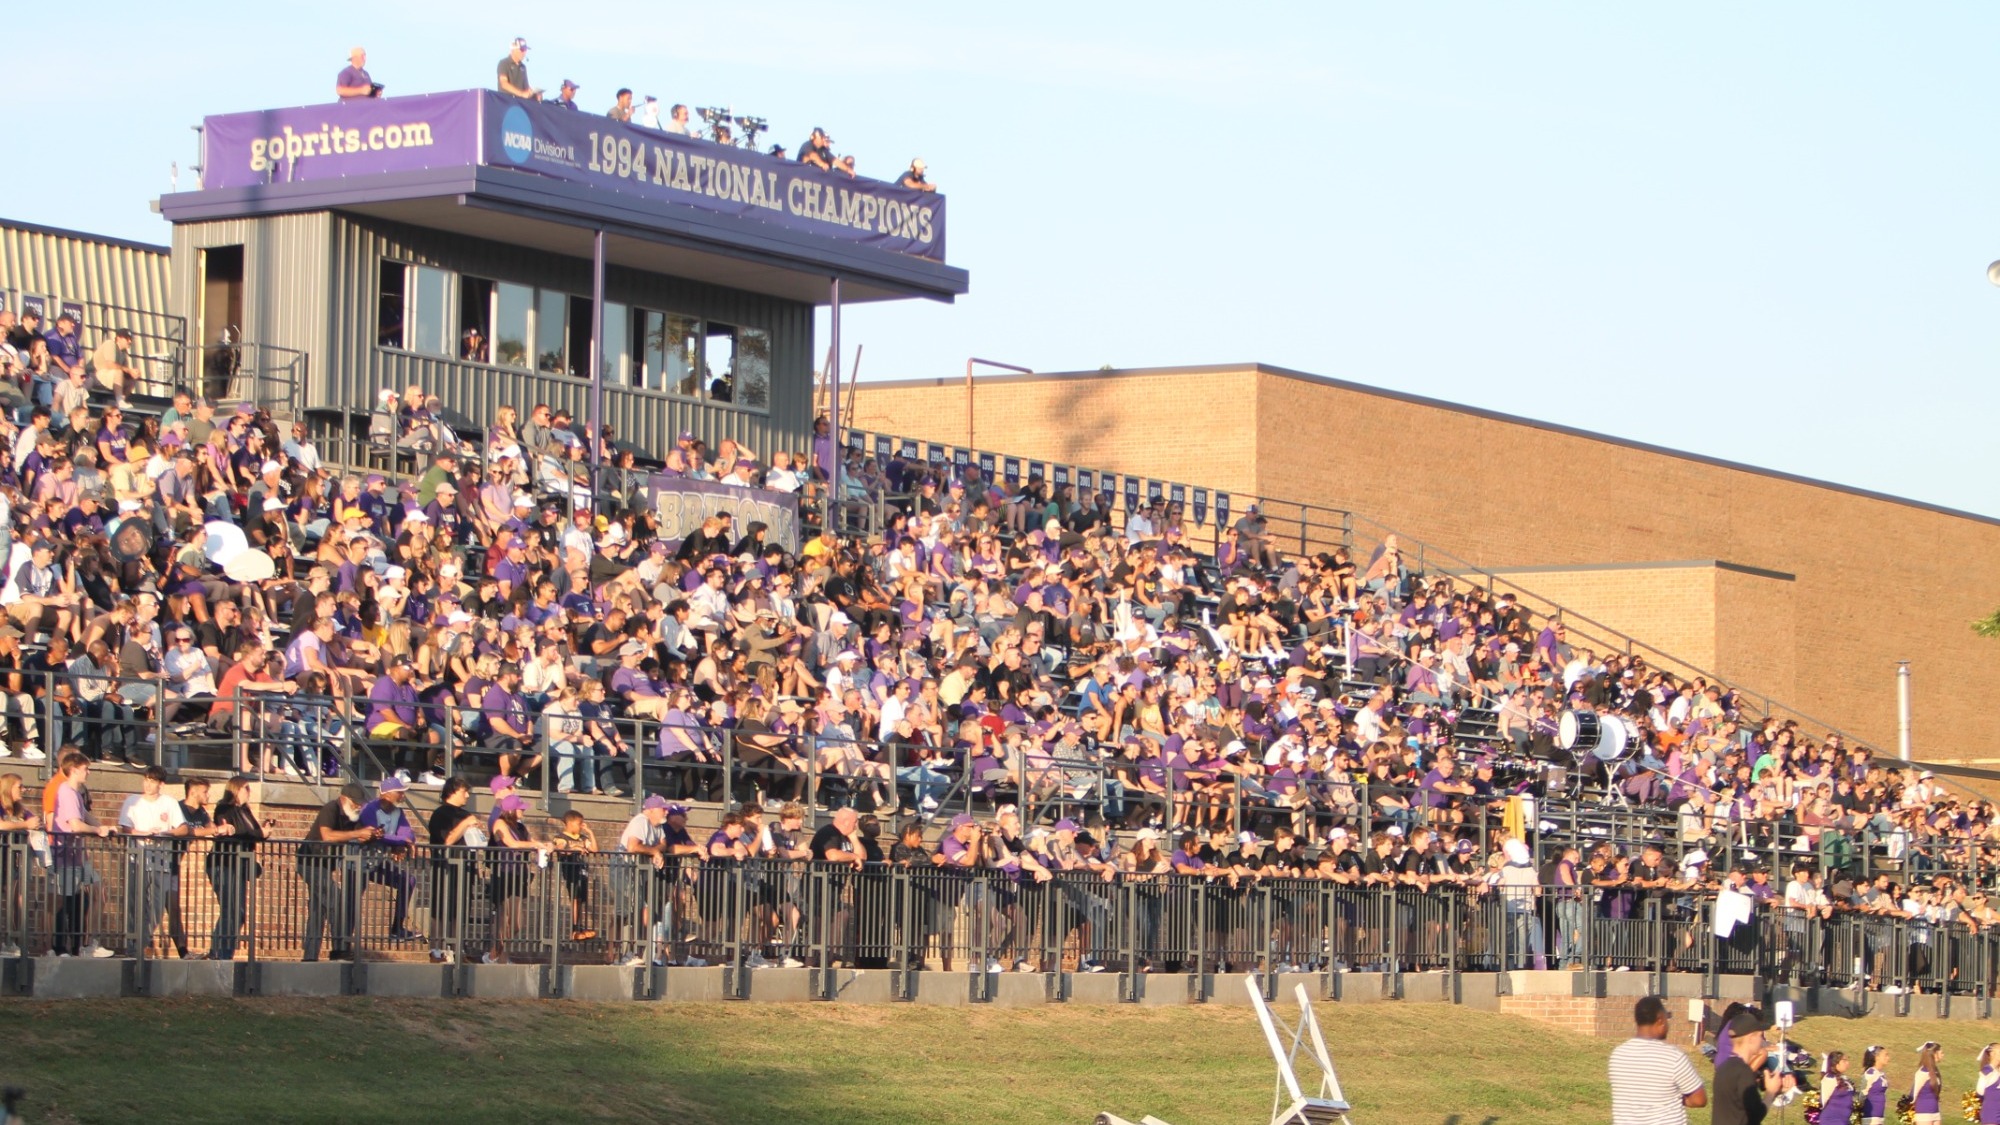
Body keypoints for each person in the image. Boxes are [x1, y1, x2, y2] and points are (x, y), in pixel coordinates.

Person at [298, 783, 380, 962]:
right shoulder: (331, 808)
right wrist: (357, 833)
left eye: (360, 803)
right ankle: (340, 950)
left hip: (325, 865)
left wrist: (372, 835)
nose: (358, 806)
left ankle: (309, 958)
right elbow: (327, 836)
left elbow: (359, 836)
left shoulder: (352, 816)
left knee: (318, 911)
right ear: (344, 799)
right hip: (310, 861)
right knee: (337, 901)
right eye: (355, 802)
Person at [117, 765, 189, 958]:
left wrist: (165, 833)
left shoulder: (169, 802)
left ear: (161, 784)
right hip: (138, 858)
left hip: (161, 859)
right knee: (136, 902)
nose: (148, 784)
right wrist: (144, 834)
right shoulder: (132, 801)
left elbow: (183, 829)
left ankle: (144, 938)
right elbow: (125, 828)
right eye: (146, 780)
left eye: (153, 781)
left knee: (157, 905)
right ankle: (134, 945)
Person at [1608, 995, 1706, 1124]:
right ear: (1660, 1019)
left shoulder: (1618, 1055)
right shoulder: (1673, 1057)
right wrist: (1677, 1098)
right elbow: (1699, 1099)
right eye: (1667, 1017)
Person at [206, 775, 266, 961]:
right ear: (236, 789)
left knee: (238, 913)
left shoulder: (245, 811)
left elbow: (252, 833)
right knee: (231, 910)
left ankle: (224, 954)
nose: (249, 793)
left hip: (239, 866)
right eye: (246, 788)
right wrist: (257, 833)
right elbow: (231, 832)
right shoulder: (225, 809)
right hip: (224, 864)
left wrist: (264, 832)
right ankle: (218, 953)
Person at [425, 776, 479, 963]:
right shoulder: (441, 814)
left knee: (461, 908)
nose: (467, 795)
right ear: (453, 791)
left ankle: (457, 949)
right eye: (464, 791)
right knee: (442, 907)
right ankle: (436, 949)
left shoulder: (464, 813)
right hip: (446, 868)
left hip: (465, 867)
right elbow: (447, 841)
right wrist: (465, 824)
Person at [1711, 1009, 1794, 1125]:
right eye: (1760, 1036)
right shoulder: (1743, 1072)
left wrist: (1776, 1091)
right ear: (1751, 1038)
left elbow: (1737, 1110)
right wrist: (1771, 1092)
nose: (1761, 1040)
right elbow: (1755, 1115)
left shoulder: (1724, 1068)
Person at [1912, 1042, 1943, 1125]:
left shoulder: (1935, 1071)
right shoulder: (1922, 1072)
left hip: (1935, 1111)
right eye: (1941, 1053)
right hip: (1924, 1112)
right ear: (1934, 1054)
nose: (1943, 1055)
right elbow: (1913, 1094)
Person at [1975, 1042, 2000, 1125]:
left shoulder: (1997, 1071)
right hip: (1991, 1115)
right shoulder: (1987, 1071)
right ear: (1992, 1054)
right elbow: (1980, 1091)